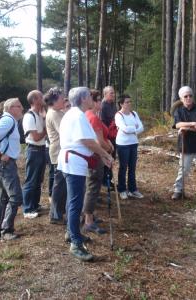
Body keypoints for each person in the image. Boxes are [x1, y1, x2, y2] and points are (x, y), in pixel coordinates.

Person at [57, 87, 113, 261]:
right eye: (89, 96)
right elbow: (87, 140)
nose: (92, 99)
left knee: (72, 201)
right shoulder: (78, 115)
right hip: (74, 163)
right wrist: (104, 154)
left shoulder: (73, 114)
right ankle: (75, 243)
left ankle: (71, 233)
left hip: (72, 161)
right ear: (82, 99)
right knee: (75, 203)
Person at [0, 98, 24, 241]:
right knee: (16, 197)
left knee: (3, 198)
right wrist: (0, 154)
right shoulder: (8, 120)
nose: (22, 108)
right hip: (5, 164)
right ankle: (6, 229)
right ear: (10, 108)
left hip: (5, 163)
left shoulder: (10, 120)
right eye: (19, 106)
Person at [83, 89, 113, 234]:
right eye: (99, 99)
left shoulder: (89, 115)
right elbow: (99, 141)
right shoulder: (92, 117)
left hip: (94, 156)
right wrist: (109, 150)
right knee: (93, 187)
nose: (101, 102)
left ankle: (90, 215)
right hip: (94, 157)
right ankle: (88, 221)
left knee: (91, 187)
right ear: (93, 102)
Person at [22, 90, 47, 218]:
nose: (43, 98)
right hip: (34, 150)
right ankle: (27, 209)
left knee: (38, 179)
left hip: (41, 150)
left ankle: (35, 204)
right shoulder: (29, 116)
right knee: (31, 180)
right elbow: (36, 137)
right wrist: (46, 130)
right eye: (41, 97)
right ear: (34, 100)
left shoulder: (38, 115)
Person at [115, 94, 144, 200]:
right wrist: (134, 128)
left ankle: (133, 189)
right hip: (123, 144)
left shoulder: (134, 113)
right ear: (121, 104)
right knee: (123, 167)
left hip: (133, 143)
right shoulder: (118, 115)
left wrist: (132, 129)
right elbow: (124, 129)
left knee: (132, 167)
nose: (129, 104)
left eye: (130, 101)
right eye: (127, 102)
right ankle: (122, 190)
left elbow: (141, 127)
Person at [45, 87, 67, 225]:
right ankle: (55, 215)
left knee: (61, 184)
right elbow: (64, 131)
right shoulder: (54, 114)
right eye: (61, 98)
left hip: (60, 151)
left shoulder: (58, 112)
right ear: (54, 101)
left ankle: (58, 212)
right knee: (59, 185)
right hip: (58, 152)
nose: (64, 100)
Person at [100, 86, 117, 187]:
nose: (113, 95)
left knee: (112, 157)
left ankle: (108, 179)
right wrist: (106, 139)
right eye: (111, 93)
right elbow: (102, 124)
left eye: (114, 93)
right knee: (107, 157)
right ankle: (105, 180)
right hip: (106, 137)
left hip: (114, 136)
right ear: (105, 94)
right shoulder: (103, 106)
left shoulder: (113, 105)